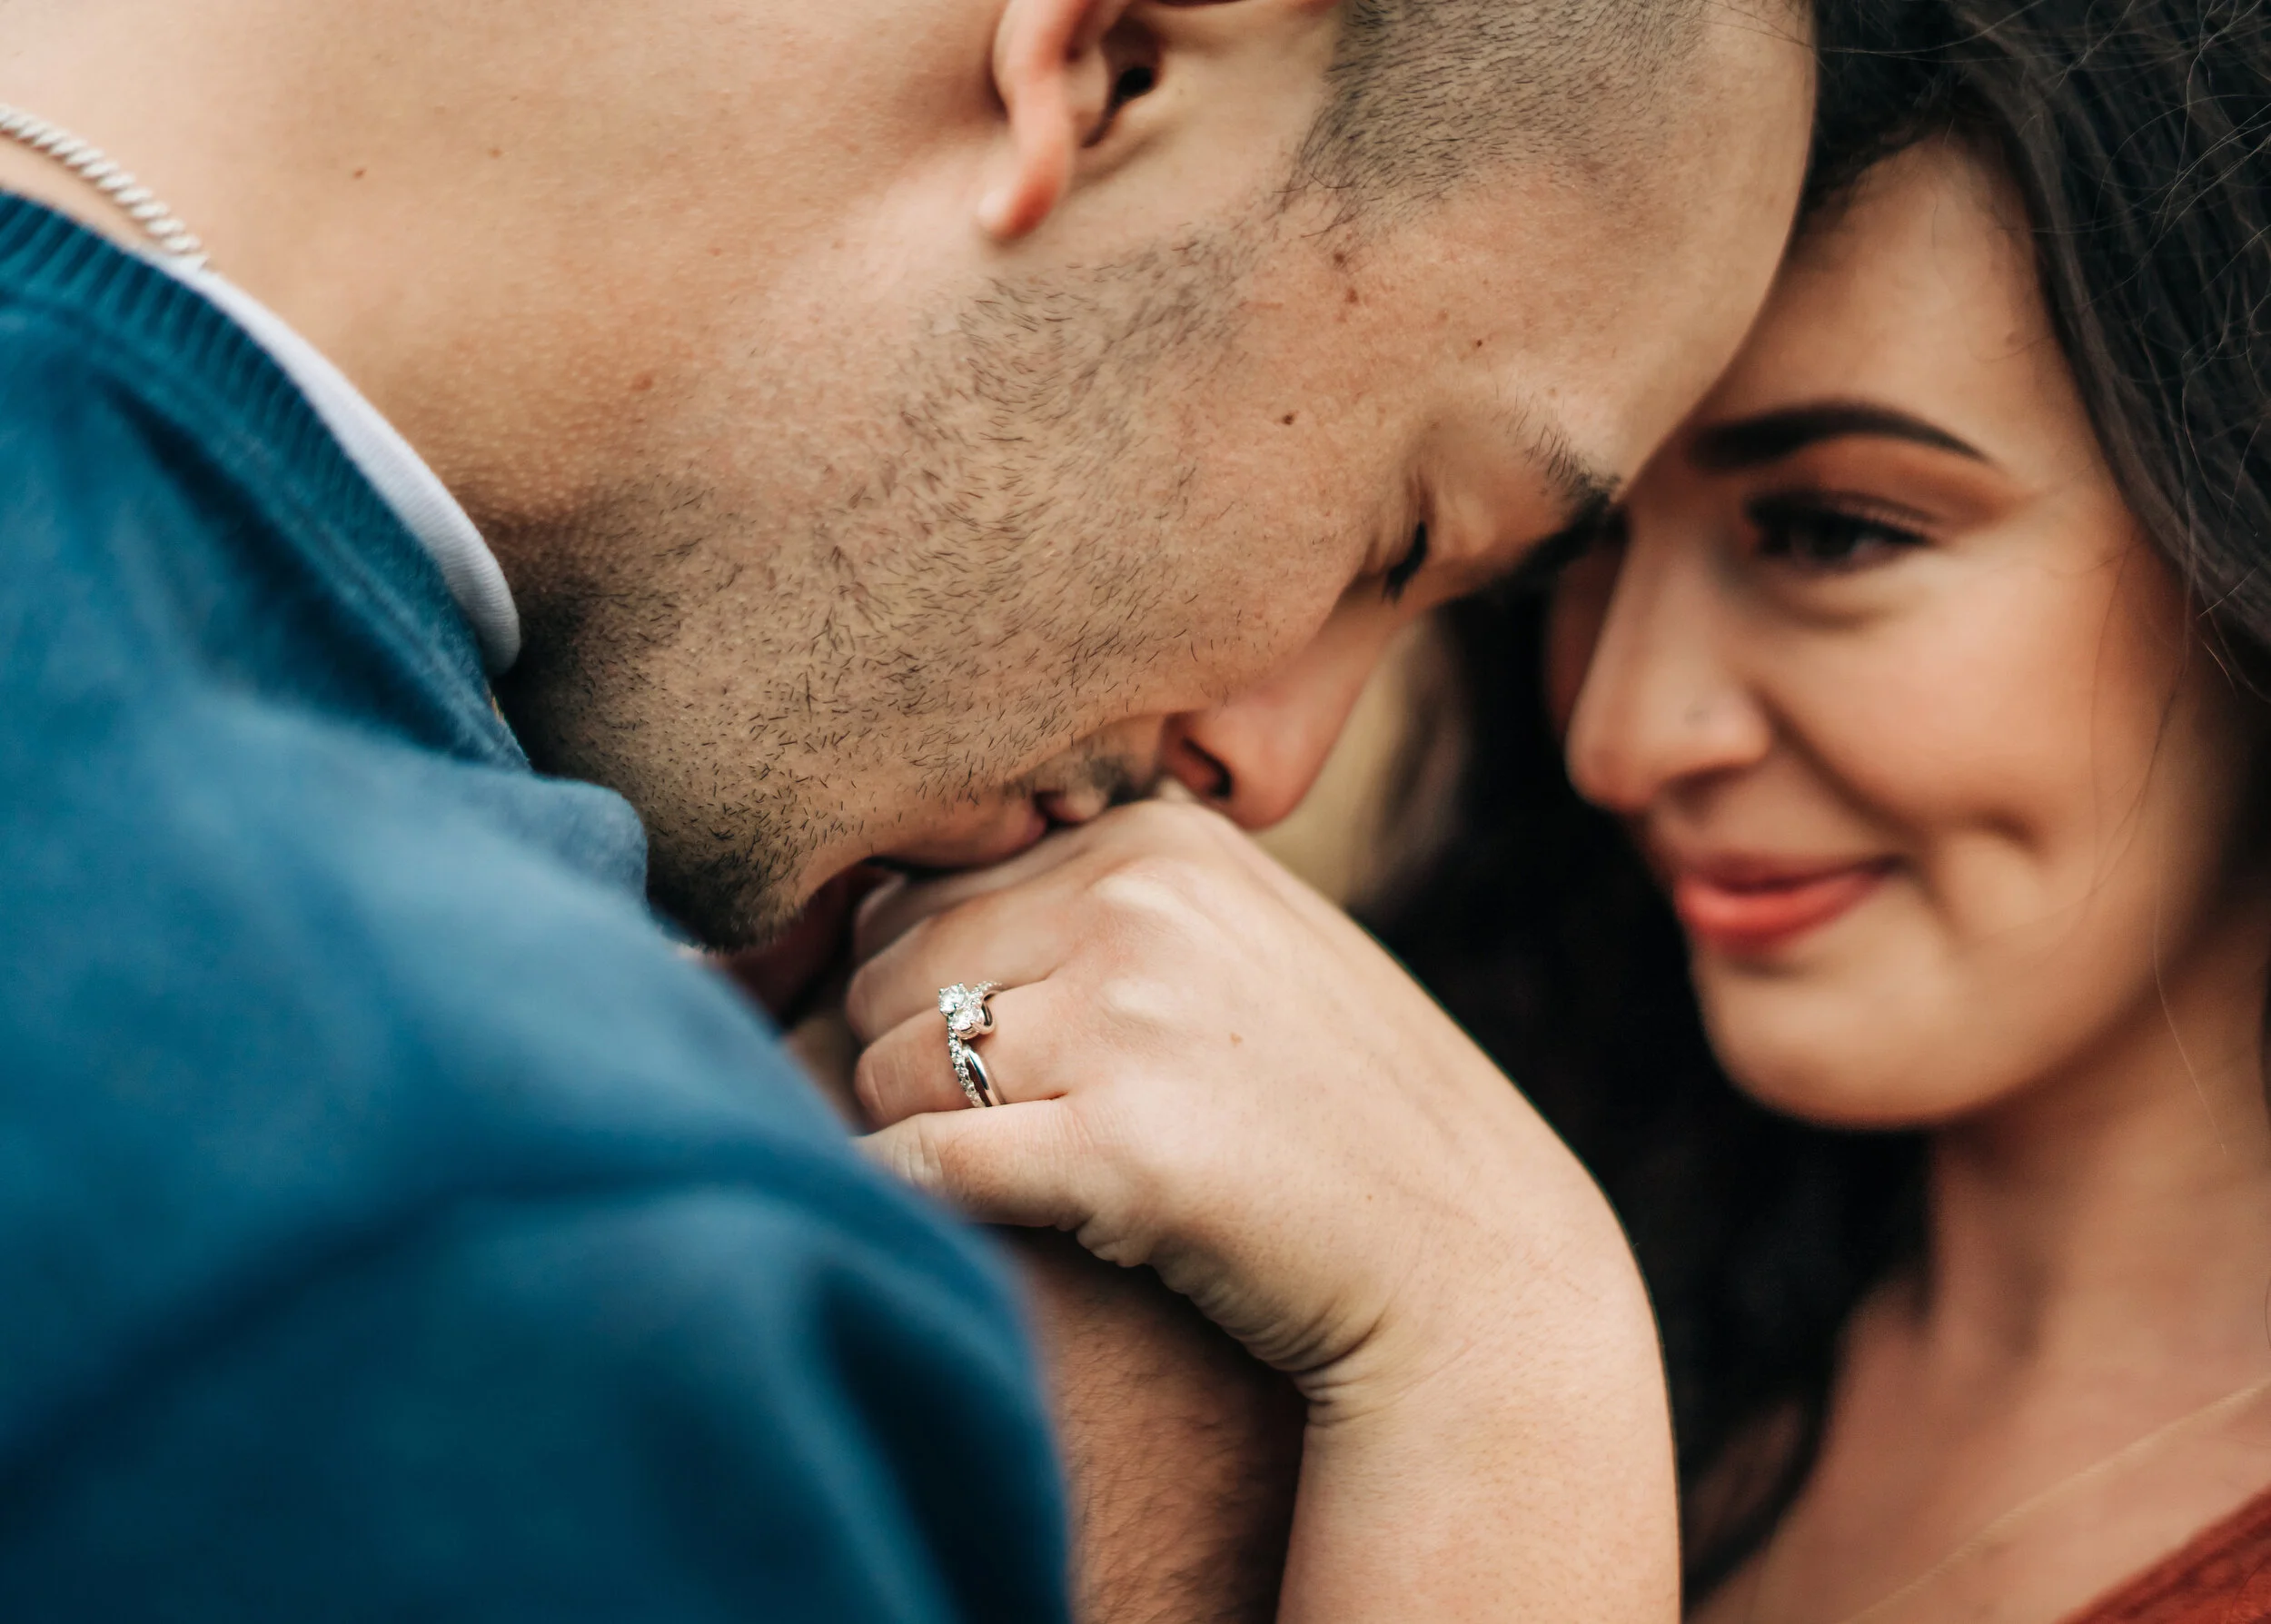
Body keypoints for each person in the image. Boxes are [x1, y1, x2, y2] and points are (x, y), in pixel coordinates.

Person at [0, 0, 1818, 1619]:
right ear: (1106, 68)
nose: (1266, 769)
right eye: (1404, 535)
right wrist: (1510, 1410)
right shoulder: (516, 1242)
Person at [848, 2, 2271, 1617]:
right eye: (1568, 567)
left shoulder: (1460, 1283)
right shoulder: (1358, 1209)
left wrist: (1497, 1366)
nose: (1618, 735)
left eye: (1831, 532)